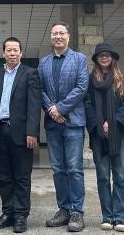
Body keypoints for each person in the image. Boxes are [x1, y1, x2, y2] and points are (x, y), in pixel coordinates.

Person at [0, 37, 41, 233]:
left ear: (21, 53)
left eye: (16, 50)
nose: (12, 53)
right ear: (4, 53)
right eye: (9, 50)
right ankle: (7, 213)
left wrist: (32, 132)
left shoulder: (30, 73)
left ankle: (21, 215)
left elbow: (34, 105)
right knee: (4, 176)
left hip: (22, 133)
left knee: (22, 177)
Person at [38, 21, 89, 232]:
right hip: (52, 124)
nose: (58, 36)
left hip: (73, 122)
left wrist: (60, 108)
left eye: (61, 33)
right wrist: (52, 110)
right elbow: (40, 89)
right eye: (54, 33)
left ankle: (77, 212)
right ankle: (64, 210)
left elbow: (82, 87)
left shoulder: (79, 59)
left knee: (74, 168)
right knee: (58, 169)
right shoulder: (43, 62)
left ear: (68, 36)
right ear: (51, 37)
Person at [85, 43, 124, 232]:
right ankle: (107, 216)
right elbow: (87, 105)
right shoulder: (90, 81)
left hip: (118, 135)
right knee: (103, 177)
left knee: (120, 176)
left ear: (112, 58)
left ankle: (119, 217)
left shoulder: (122, 79)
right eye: (101, 55)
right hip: (98, 136)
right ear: (96, 59)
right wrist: (99, 125)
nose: (104, 57)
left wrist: (112, 124)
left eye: (107, 55)